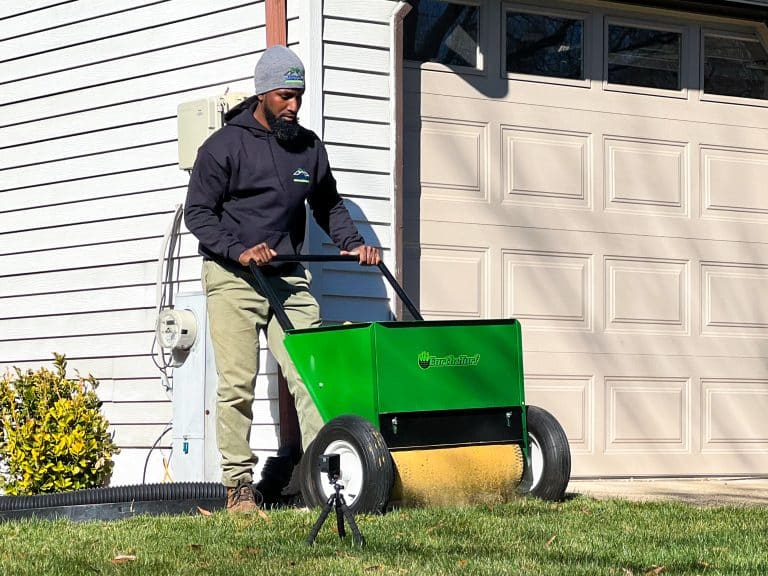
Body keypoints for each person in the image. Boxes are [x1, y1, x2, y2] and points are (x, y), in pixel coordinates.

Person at [184, 45, 381, 513]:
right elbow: (198, 214)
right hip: (234, 276)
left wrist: (352, 242)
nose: (293, 106)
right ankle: (238, 487)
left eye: (299, 96)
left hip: (288, 277)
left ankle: (326, 481)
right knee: (237, 384)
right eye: (285, 96)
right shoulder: (223, 147)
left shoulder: (309, 147)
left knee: (312, 374)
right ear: (263, 93)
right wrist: (239, 249)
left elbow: (328, 204)